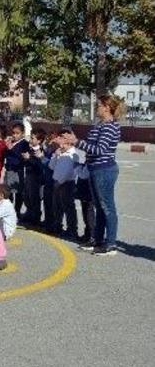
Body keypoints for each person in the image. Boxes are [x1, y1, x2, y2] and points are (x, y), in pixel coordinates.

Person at [70, 95, 122, 256]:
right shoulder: (100, 125)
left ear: (107, 107)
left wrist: (76, 142)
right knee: (99, 206)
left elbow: (99, 150)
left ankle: (111, 244)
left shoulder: (109, 127)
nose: (96, 107)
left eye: (99, 105)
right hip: (95, 168)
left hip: (104, 169)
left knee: (107, 207)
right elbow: (93, 146)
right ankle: (97, 240)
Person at [49, 130, 79, 238]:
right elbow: (51, 167)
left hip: (67, 183)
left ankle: (72, 230)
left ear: (68, 140)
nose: (59, 140)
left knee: (68, 207)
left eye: (62, 138)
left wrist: (60, 182)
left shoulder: (73, 154)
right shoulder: (60, 152)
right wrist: (56, 156)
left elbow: (71, 172)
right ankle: (57, 226)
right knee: (57, 206)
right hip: (56, 182)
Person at [3, 123, 30, 217]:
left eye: (17, 133)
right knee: (8, 192)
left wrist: (11, 149)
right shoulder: (11, 142)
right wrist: (7, 148)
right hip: (9, 169)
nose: (14, 135)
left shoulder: (24, 144)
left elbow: (22, 157)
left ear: (22, 133)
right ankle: (9, 211)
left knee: (18, 192)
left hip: (18, 170)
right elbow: (6, 154)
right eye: (13, 133)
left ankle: (17, 210)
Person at [21, 129, 46, 225]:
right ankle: (29, 213)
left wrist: (29, 159)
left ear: (39, 140)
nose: (30, 140)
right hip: (28, 174)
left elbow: (39, 165)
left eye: (33, 138)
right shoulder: (29, 149)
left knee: (34, 197)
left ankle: (35, 217)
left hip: (36, 177)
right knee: (27, 195)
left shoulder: (41, 151)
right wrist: (25, 158)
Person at [75, 150, 96, 247]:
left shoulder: (90, 164)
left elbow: (83, 175)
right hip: (84, 192)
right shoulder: (87, 163)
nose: (86, 155)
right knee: (85, 213)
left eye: (88, 154)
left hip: (88, 192)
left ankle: (92, 236)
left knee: (89, 213)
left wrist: (77, 167)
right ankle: (87, 234)